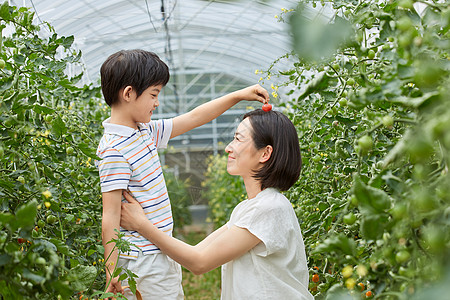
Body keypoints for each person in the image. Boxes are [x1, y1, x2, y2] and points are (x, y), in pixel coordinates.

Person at [95, 49, 269, 299]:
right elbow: (110, 215)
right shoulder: (114, 150)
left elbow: (194, 117)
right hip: (142, 260)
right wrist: (111, 270)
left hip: (158, 251)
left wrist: (238, 95)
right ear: (129, 93)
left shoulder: (144, 132)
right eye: (154, 94)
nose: (157, 102)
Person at [120, 109, 314, 299]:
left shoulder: (268, 208)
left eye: (238, 139)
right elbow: (197, 251)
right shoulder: (250, 207)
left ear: (265, 153)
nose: (228, 147)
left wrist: (141, 224)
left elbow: (199, 262)